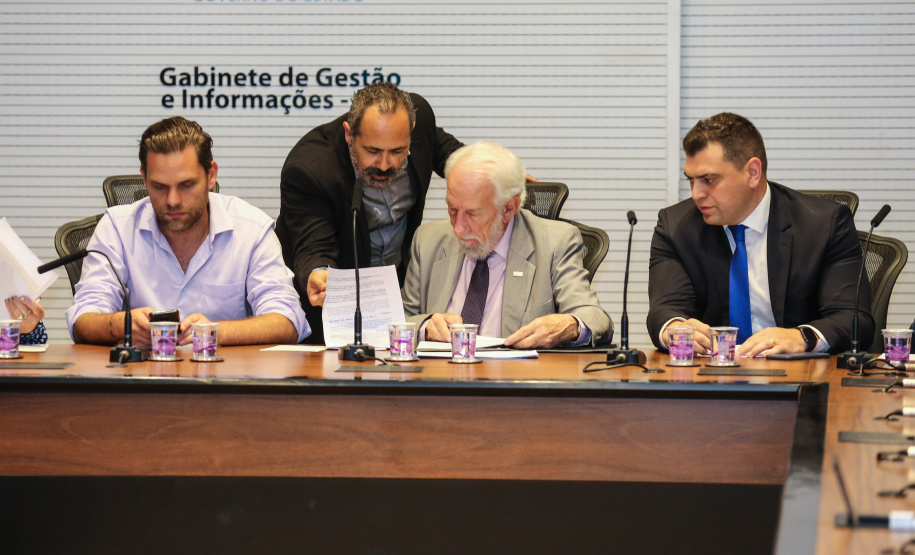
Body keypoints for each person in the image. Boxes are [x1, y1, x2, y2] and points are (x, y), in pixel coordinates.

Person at [66, 116, 309, 347]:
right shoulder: (117, 228)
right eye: (159, 186)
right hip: (139, 382)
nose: (172, 200)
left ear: (211, 175)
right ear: (144, 178)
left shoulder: (251, 229)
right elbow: (81, 320)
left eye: (187, 185)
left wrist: (214, 331)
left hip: (224, 382)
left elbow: (288, 321)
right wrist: (122, 325)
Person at [647, 112, 872, 357]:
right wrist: (674, 327)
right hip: (711, 374)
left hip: (800, 376)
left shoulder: (824, 224)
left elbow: (854, 317)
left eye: (708, 179)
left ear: (753, 172)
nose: (696, 194)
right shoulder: (676, 227)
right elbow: (666, 309)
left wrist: (803, 336)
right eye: (691, 180)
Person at [274, 82, 465, 344]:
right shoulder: (309, 170)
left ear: (411, 131)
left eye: (397, 151)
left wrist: (497, 174)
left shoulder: (419, 117)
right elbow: (313, 246)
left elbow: (451, 155)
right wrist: (319, 274)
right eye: (373, 151)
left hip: (398, 302)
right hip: (332, 314)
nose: (385, 165)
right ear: (349, 134)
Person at [402, 141, 612, 349]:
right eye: (452, 210)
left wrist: (567, 325)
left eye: (473, 214)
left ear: (509, 209)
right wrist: (426, 326)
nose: (458, 228)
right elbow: (399, 317)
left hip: (514, 379)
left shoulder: (555, 243)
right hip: (438, 377)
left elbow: (594, 317)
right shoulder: (428, 240)